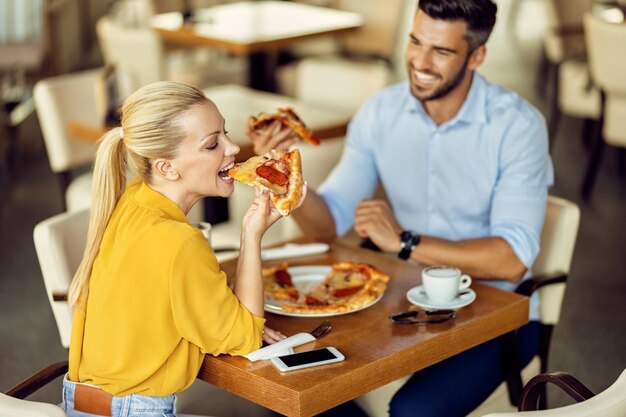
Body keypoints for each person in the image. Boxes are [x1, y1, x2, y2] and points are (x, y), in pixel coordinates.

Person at [248, 0, 553, 415]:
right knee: (287, 382)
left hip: (499, 314)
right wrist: (289, 178)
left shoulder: (518, 127)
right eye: (415, 42)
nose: (420, 62)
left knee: (415, 412)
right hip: (405, 302)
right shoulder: (381, 111)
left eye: (441, 51)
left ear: (477, 56)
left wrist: (405, 241)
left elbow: (512, 260)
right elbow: (327, 224)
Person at [64, 81, 302, 417]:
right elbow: (246, 336)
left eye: (226, 133)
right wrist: (252, 234)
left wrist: (225, 314)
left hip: (83, 406)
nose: (233, 148)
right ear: (165, 167)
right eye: (211, 145)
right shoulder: (180, 242)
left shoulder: (134, 199)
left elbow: (174, 301)